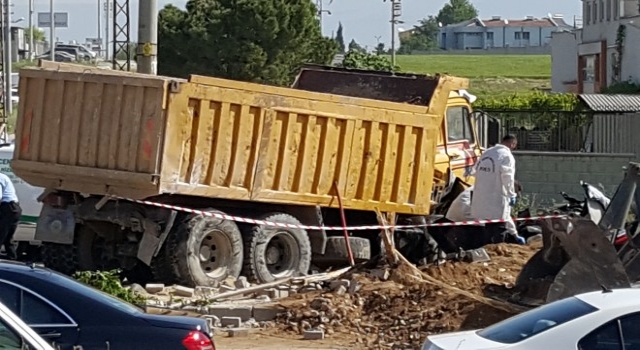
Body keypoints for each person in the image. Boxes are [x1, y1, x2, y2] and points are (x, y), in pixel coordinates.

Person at [471, 135, 525, 245]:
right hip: (497, 197)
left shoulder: (487, 152)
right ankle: (498, 251)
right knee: (499, 228)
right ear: (512, 144)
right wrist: (511, 194)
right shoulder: (507, 156)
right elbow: (508, 177)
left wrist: (515, 234)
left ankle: (488, 250)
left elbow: (473, 171)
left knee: (488, 227)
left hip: (481, 198)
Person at [0, 172, 21, 260]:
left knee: (1, 234)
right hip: (14, 208)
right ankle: (12, 258)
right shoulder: (3, 176)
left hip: (7, 207)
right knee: (8, 237)